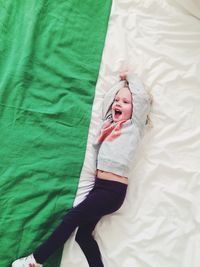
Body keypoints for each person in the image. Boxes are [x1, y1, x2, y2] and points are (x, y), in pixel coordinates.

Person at [12, 73, 152, 267]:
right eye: (117, 101)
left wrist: (131, 78)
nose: (118, 103)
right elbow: (108, 99)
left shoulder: (133, 126)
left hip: (112, 191)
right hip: (100, 188)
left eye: (126, 102)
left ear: (135, 109)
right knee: (83, 236)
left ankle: (36, 260)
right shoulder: (108, 122)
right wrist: (121, 84)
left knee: (72, 218)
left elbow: (143, 99)